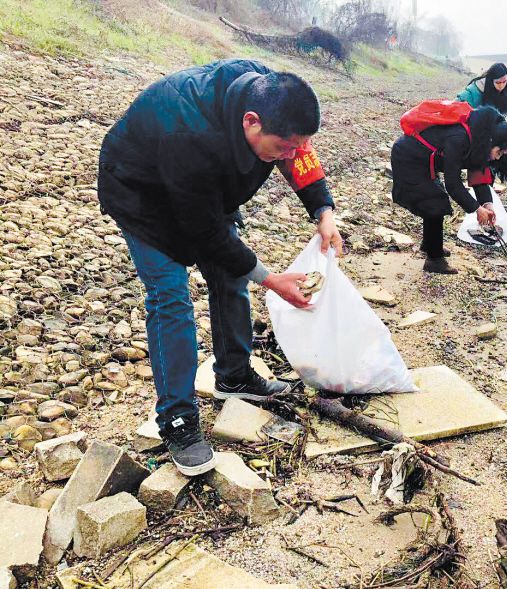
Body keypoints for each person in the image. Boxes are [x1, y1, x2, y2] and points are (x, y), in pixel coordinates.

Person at [97, 59, 343, 476]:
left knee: (230, 275)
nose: (289, 155)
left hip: (203, 191)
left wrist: (323, 209)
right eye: (281, 148)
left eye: (294, 146)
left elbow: (300, 151)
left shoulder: (269, 93)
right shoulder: (189, 132)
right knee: (170, 297)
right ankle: (177, 419)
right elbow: (206, 233)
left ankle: (234, 375)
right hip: (141, 195)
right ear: (251, 122)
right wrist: (271, 280)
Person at [391, 105, 507, 274]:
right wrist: (476, 209)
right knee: (434, 203)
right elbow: (453, 184)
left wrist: (487, 204)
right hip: (408, 158)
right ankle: (434, 260)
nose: (497, 157)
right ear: (492, 142)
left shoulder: (479, 139)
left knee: (434, 197)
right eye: (499, 152)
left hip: (425, 161)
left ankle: (430, 245)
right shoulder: (459, 138)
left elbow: (479, 177)